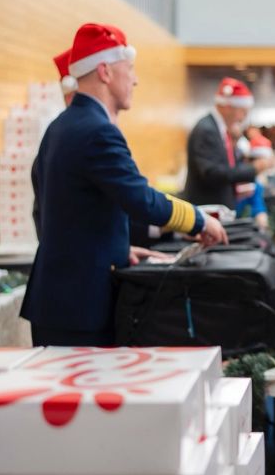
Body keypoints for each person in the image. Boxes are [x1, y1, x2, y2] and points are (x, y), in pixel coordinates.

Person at [24, 23, 227, 347]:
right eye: (129, 69)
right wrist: (199, 220)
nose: (135, 79)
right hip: (79, 305)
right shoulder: (97, 130)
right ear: (105, 71)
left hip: (62, 299)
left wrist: (116, 248)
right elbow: (140, 200)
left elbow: (68, 212)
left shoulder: (63, 125)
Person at [182, 77, 273, 208]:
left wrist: (236, 189)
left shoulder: (218, 128)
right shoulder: (207, 129)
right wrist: (254, 168)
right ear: (228, 107)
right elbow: (212, 173)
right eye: (242, 112)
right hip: (208, 206)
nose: (243, 118)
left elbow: (225, 166)